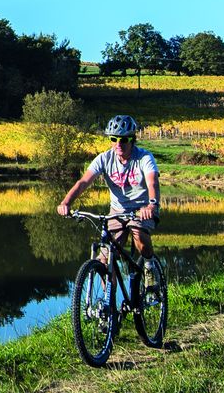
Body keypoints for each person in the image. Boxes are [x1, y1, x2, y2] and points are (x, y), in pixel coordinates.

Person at [57, 114, 160, 280]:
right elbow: (83, 182)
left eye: (123, 140)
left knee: (140, 236)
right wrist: (66, 202)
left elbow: (152, 182)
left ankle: (149, 266)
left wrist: (151, 204)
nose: (118, 144)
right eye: (114, 139)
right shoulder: (104, 158)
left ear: (132, 139)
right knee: (105, 259)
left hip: (142, 209)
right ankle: (108, 296)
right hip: (117, 210)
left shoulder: (144, 158)